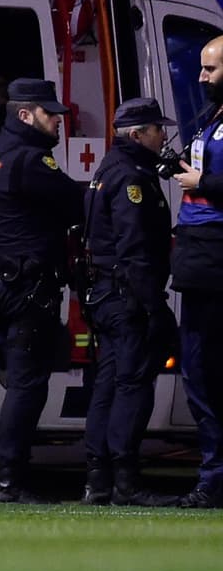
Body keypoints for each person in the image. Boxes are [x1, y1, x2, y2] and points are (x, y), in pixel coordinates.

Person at [0, 78, 85, 504]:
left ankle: (9, 479)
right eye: (49, 113)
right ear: (25, 115)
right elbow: (76, 205)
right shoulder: (31, 160)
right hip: (27, 287)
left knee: (22, 382)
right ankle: (9, 483)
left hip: (3, 284)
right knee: (27, 385)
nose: (58, 121)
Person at [79, 97, 179, 507]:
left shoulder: (111, 168)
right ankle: (125, 480)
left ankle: (98, 479)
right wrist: (154, 307)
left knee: (109, 383)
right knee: (133, 385)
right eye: (157, 129)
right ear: (137, 135)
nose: (163, 135)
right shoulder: (131, 179)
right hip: (127, 296)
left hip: (108, 293)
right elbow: (135, 246)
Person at [170, 34, 223, 509]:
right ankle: (212, 475)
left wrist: (201, 181)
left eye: (210, 69)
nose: (202, 78)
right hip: (200, 256)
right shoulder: (212, 121)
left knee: (207, 369)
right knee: (200, 371)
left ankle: (214, 476)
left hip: (216, 255)